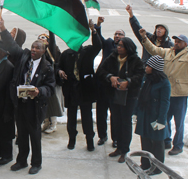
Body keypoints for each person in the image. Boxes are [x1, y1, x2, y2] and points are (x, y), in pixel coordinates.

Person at [0, 17, 55, 175]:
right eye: (33, 47)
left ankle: (36, 163)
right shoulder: (24, 57)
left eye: (37, 48)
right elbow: (12, 45)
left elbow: (50, 88)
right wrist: (3, 28)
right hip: (20, 104)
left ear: (43, 51)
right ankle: (21, 161)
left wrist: (39, 91)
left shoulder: (47, 68)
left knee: (34, 136)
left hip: (34, 107)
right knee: (21, 135)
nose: (34, 50)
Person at [139, 24, 188, 156]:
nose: (176, 43)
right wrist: (144, 38)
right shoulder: (168, 52)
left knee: (179, 122)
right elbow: (154, 50)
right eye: (175, 41)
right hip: (167, 93)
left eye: (179, 41)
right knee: (164, 118)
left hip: (180, 94)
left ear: (185, 43)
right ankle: (166, 140)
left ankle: (178, 145)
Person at [97, 37, 145, 163]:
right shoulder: (112, 57)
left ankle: (125, 150)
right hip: (113, 94)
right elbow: (100, 71)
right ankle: (118, 146)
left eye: (122, 46)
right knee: (116, 120)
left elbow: (140, 77)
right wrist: (110, 77)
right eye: (118, 45)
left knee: (125, 122)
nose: (118, 47)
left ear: (128, 48)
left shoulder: (135, 60)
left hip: (129, 97)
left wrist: (128, 82)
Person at [58, 19, 101, 151]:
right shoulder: (66, 54)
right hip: (71, 90)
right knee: (71, 117)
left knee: (87, 117)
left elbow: (98, 45)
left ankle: (89, 139)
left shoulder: (88, 52)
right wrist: (59, 71)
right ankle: (72, 139)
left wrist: (93, 30)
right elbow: (58, 67)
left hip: (85, 90)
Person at [134, 55, 170, 175]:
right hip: (144, 114)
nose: (146, 67)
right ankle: (145, 163)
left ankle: (157, 167)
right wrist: (136, 112)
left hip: (155, 116)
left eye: (149, 65)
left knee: (157, 142)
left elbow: (165, 102)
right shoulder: (146, 78)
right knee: (145, 140)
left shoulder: (164, 83)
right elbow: (140, 96)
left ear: (154, 68)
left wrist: (161, 120)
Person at [94, 16, 125, 147]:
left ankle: (116, 138)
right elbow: (98, 38)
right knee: (101, 112)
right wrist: (98, 25)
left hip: (115, 87)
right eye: (116, 34)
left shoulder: (126, 49)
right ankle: (102, 136)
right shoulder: (108, 44)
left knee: (115, 115)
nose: (117, 36)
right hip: (102, 84)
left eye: (120, 34)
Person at [38, 32, 63, 134]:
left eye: (43, 38)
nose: (41, 40)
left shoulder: (52, 50)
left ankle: (53, 124)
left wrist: (51, 31)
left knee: (53, 103)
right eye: (39, 38)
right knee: (44, 102)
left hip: (52, 81)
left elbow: (52, 43)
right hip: (42, 81)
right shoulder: (40, 51)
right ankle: (47, 122)